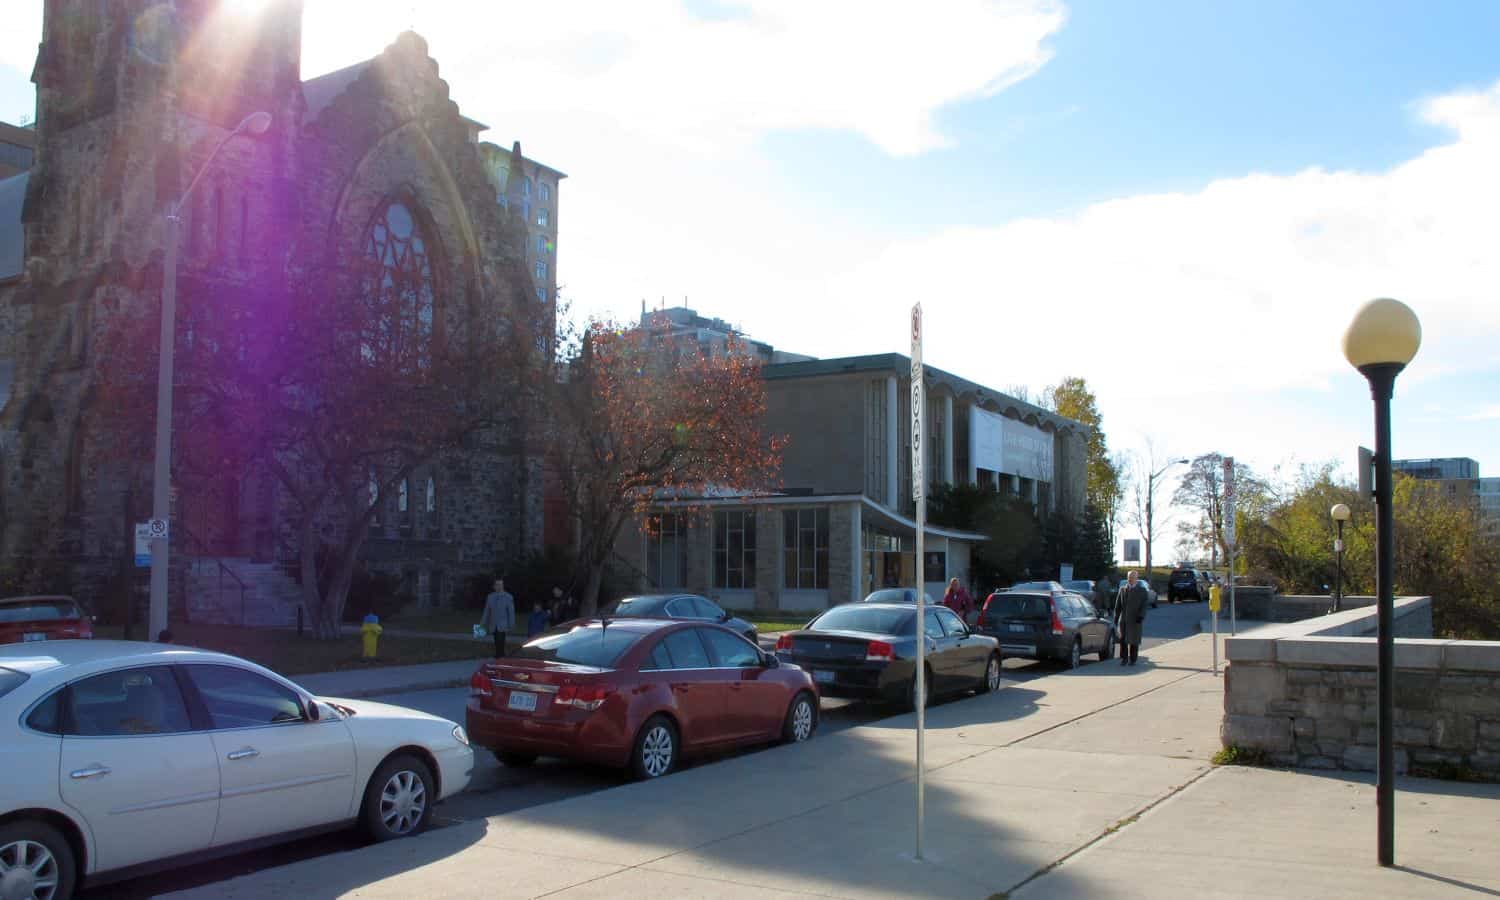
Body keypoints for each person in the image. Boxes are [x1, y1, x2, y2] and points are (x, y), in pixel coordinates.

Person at [1115, 570, 1149, 666]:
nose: (1130, 579)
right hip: (1124, 620)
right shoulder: (1122, 589)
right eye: (1129, 577)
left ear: (1137, 579)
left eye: (1133, 577)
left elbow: (1144, 605)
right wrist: (1116, 617)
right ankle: (1124, 659)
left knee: (1134, 640)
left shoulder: (1142, 591)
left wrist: (1141, 616)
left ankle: (1133, 659)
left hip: (1135, 620)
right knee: (1123, 640)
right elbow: (1118, 605)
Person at [479, 577, 516, 658]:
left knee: (500, 640)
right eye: (497, 585)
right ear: (494, 586)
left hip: (503, 624)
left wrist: (511, 624)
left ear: (503, 586)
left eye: (500, 585)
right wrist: (482, 623)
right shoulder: (490, 597)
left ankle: (500, 656)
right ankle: (498, 655)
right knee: (496, 640)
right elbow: (487, 611)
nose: (499, 586)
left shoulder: (508, 597)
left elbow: (511, 612)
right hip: (493, 624)